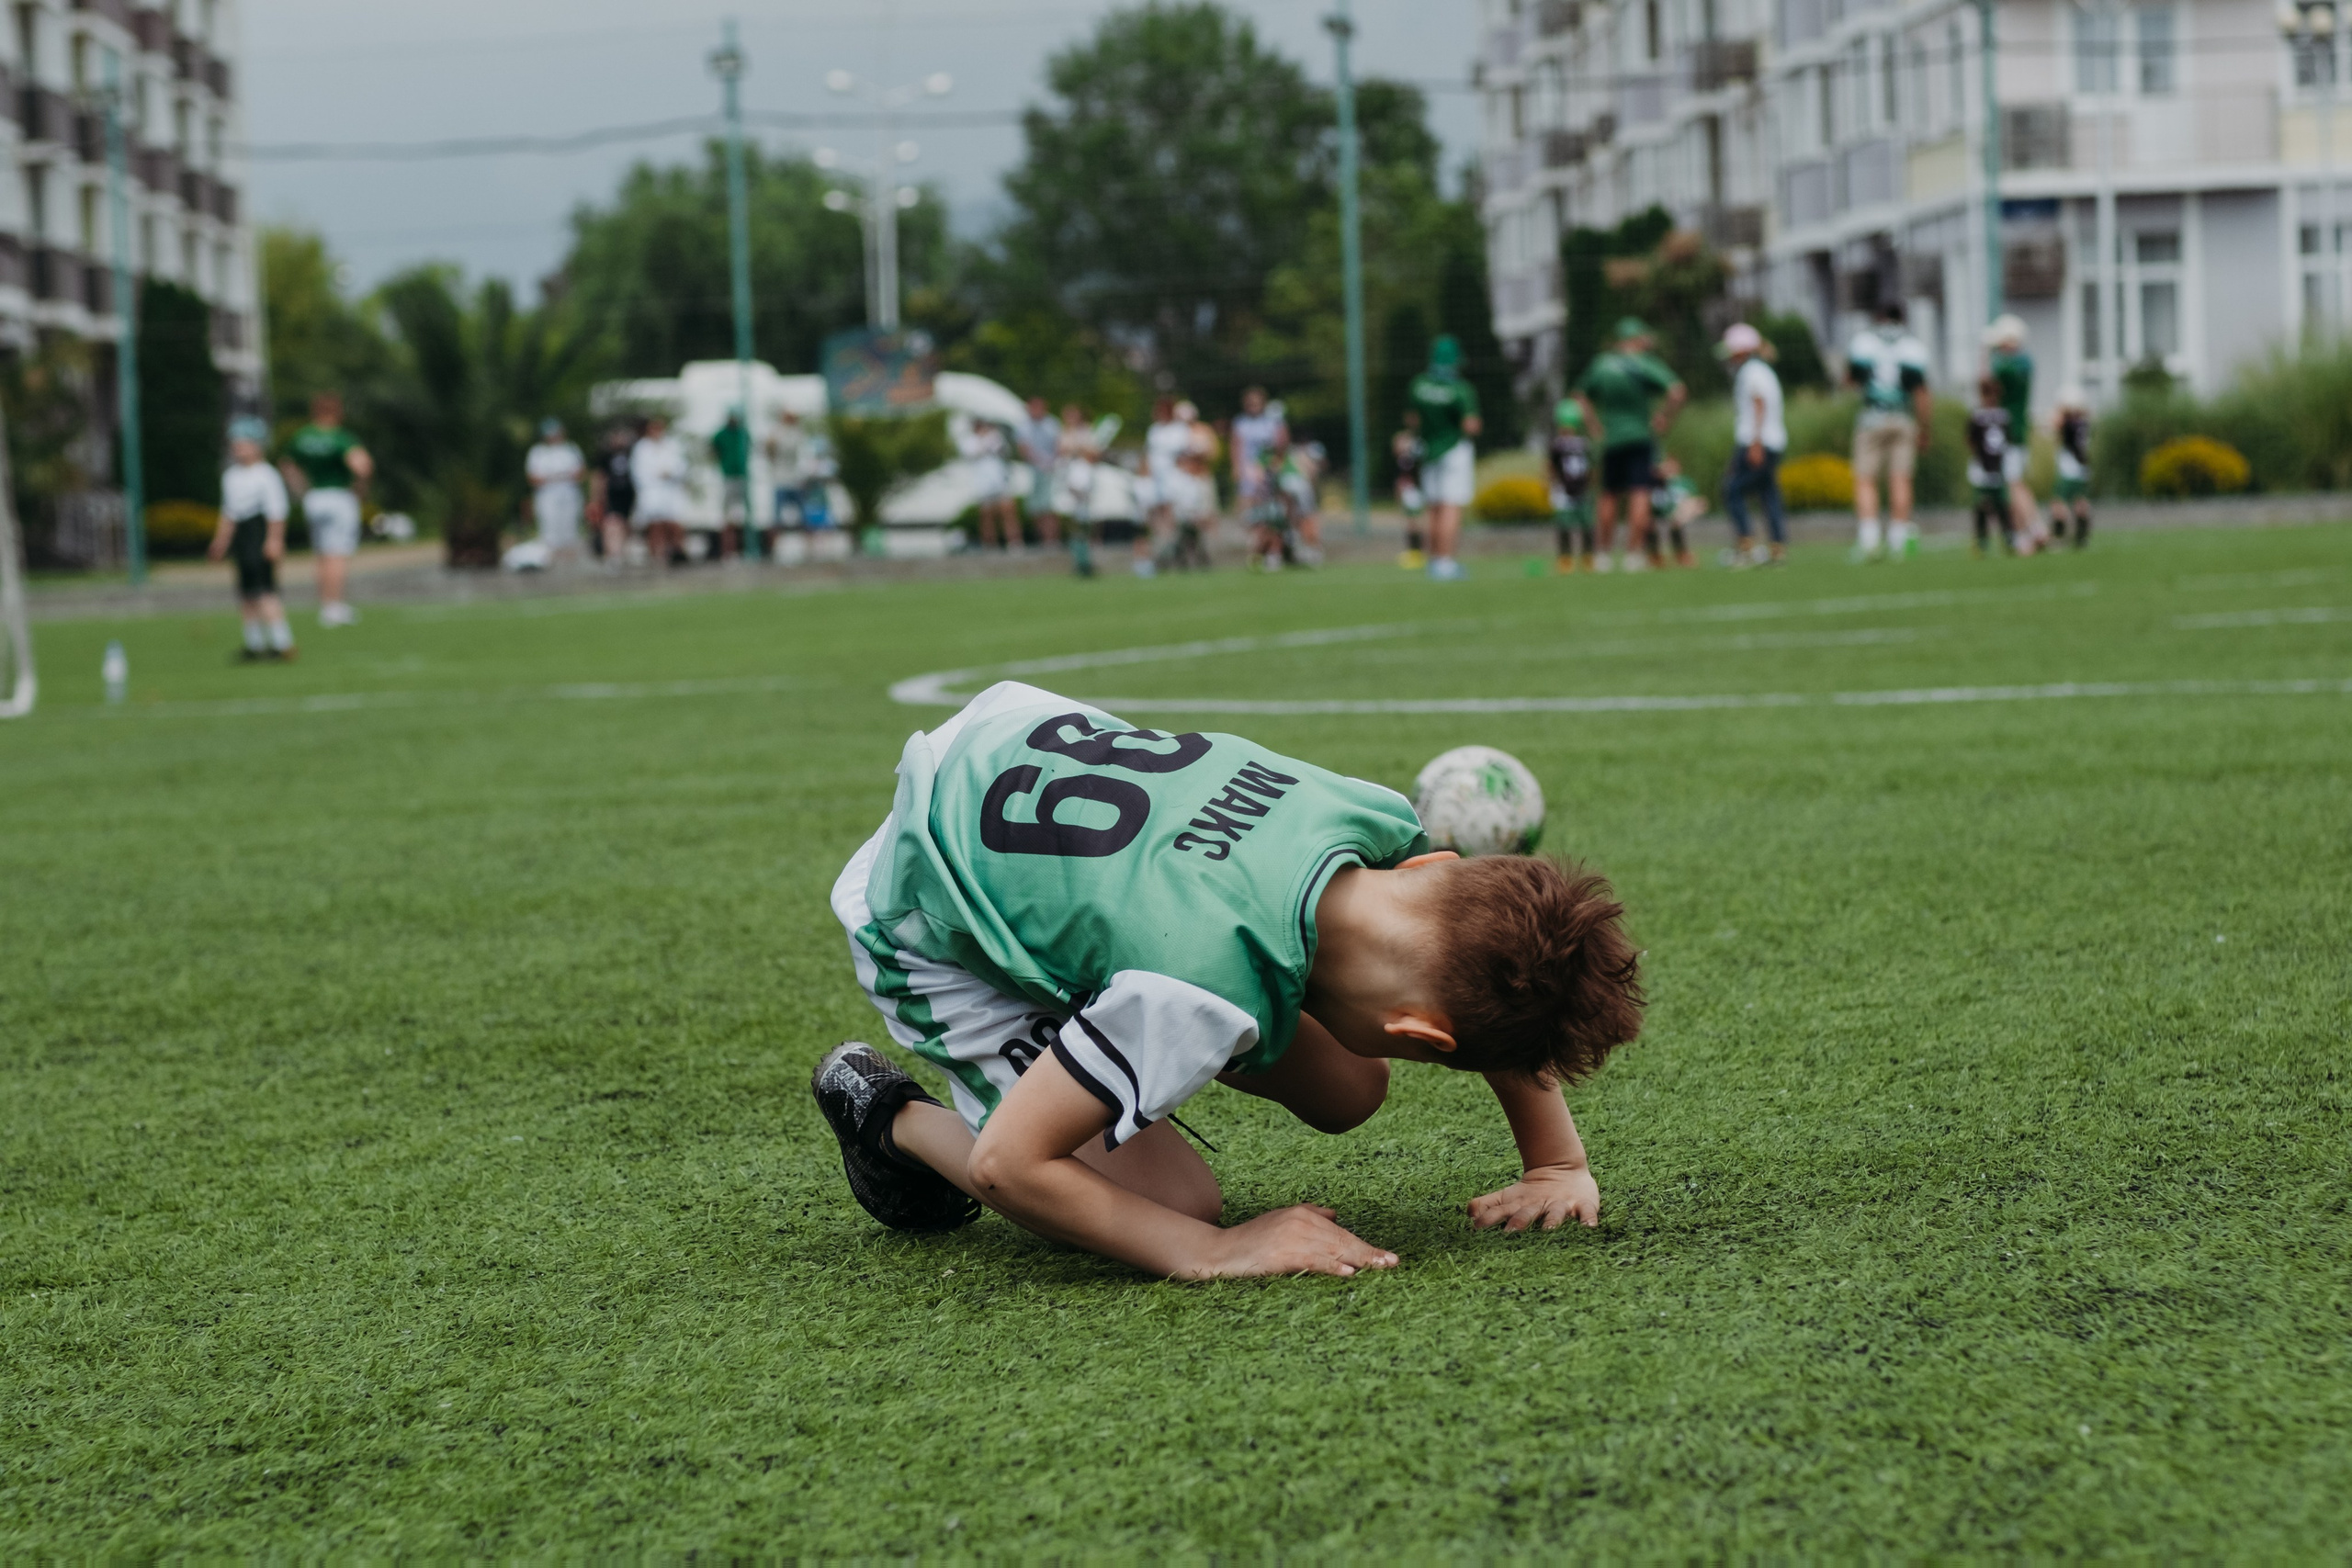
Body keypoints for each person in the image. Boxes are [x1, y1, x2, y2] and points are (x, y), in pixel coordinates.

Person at [810, 680, 1646, 1276]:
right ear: (1417, 1032)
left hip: (1022, 739)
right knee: (1175, 1203)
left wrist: (1555, 1162)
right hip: (928, 892)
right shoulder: (1196, 987)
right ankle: (891, 1119)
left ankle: (1096, 1008)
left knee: (1348, 1089)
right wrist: (1214, 1251)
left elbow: (1485, 952)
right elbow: (1009, 1165)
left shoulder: (1373, 814)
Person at [1572, 318, 1685, 574]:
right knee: (1639, 492)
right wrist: (1665, 417)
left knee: (1609, 494)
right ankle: (1633, 555)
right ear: (1636, 339)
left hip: (1610, 439)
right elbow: (1677, 391)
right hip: (1639, 437)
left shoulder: (1601, 364)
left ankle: (1602, 555)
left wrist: (1593, 425)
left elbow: (1580, 395)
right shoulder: (1644, 363)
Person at [1846, 301, 1933, 563]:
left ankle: (1870, 539)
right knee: (1901, 479)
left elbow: (1850, 381)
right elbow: (1921, 392)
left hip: (1871, 417)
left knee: (1865, 479)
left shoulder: (1863, 342)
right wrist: (1925, 428)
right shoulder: (1913, 346)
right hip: (1903, 418)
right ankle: (1897, 540)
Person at [279, 390, 374, 626]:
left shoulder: (303, 436)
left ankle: (324, 604)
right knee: (337, 554)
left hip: (314, 498)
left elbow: (287, 465)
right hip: (339, 496)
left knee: (322, 553)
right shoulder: (342, 437)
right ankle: (335, 607)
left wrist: (301, 490)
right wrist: (360, 489)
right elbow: (362, 466)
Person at [208, 417, 296, 661]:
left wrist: (275, 540)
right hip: (242, 537)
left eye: (244, 443)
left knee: (266, 590)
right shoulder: (231, 476)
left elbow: (277, 511)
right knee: (246, 593)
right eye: (236, 444)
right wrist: (221, 542)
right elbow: (229, 513)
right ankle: (254, 643)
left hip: (259, 533)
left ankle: (282, 642)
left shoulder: (266, 475)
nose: (239, 448)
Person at [1408, 335, 1484, 581]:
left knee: (1433, 508)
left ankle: (1433, 560)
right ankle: (1445, 561)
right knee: (1451, 506)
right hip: (1453, 451)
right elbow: (1471, 425)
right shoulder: (1460, 389)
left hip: (1428, 450)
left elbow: (1412, 420)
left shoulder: (1418, 385)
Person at [1719, 322, 1788, 567]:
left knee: (1733, 489)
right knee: (1768, 493)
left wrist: (1755, 443)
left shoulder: (1752, 372)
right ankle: (1777, 546)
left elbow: (1759, 404)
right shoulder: (1761, 369)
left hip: (1759, 441)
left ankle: (1746, 545)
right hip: (1772, 440)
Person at [1987, 314, 2037, 543]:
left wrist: (1986, 351)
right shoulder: (2025, 362)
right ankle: (2034, 527)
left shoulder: (2010, 365)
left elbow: (1988, 382)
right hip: (2018, 428)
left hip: (2009, 430)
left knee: (2013, 483)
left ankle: (2028, 531)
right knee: (2017, 482)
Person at [1140, 396, 1193, 576]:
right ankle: (1162, 544)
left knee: (1172, 511)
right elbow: (1148, 454)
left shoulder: (1179, 430)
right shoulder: (1154, 430)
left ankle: (1173, 544)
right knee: (1155, 512)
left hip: (1172, 476)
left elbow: (1184, 455)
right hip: (1156, 477)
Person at [1965, 375, 2017, 557]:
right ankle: (1986, 542)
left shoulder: (1991, 416)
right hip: (1989, 467)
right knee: (1990, 505)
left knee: (1997, 505)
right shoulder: (1988, 416)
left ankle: (2005, 540)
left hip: (1991, 467)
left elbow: (1970, 443)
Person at [630, 414, 690, 567]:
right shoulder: (641, 448)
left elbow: (681, 466)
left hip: (671, 490)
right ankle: (657, 555)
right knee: (655, 524)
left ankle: (677, 552)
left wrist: (671, 473)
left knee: (673, 523)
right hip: (652, 491)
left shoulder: (672, 445)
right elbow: (638, 472)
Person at [1229, 387, 1286, 540]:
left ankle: (1271, 539)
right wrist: (1236, 467)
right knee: (1247, 503)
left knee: (1271, 504)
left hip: (1268, 468)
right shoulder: (1240, 422)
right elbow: (1236, 445)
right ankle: (1250, 538)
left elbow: (1281, 445)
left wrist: (1275, 463)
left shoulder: (1272, 421)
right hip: (1247, 468)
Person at [1545, 400, 1595, 573]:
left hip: (1582, 490)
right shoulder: (1557, 445)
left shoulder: (1583, 443)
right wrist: (1551, 485)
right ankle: (1565, 559)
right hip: (1563, 491)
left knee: (1588, 526)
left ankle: (1588, 557)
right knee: (1564, 526)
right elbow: (1551, 467)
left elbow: (1590, 467)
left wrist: (1589, 484)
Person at [525, 419, 585, 561]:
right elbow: (533, 479)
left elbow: (580, 473)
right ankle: (550, 559)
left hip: (569, 495)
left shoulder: (571, 449)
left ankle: (569, 560)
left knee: (570, 526)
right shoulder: (538, 452)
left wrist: (554, 477)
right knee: (549, 526)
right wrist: (559, 476)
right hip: (547, 496)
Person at [957, 417, 1017, 551]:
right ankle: (990, 544)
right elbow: (972, 454)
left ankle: (1014, 542)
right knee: (986, 514)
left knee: (1008, 511)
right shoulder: (969, 441)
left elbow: (1004, 451)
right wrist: (985, 441)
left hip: (999, 479)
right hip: (982, 482)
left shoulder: (995, 436)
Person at [1015, 395, 1062, 549]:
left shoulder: (1052, 424)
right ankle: (1043, 539)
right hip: (1032, 471)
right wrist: (1038, 461)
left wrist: (1050, 463)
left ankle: (1051, 541)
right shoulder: (1023, 427)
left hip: (1051, 470)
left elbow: (1058, 446)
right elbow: (1023, 449)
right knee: (1035, 509)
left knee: (1048, 507)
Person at [2050, 389, 2093, 548]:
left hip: (2069, 469)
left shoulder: (2068, 423)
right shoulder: (2084, 421)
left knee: (2058, 503)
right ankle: (2082, 537)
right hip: (2083, 468)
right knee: (2081, 501)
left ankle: (2059, 537)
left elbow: (2054, 423)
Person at [589, 423, 638, 562]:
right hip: (611, 496)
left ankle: (621, 554)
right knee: (612, 525)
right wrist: (595, 498)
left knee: (626, 526)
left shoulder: (633, 453)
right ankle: (613, 556)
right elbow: (598, 477)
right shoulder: (604, 456)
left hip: (629, 496)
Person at [711, 407, 753, 559]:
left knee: (745, 515)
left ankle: (746, 549)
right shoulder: (721, 435)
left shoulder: (743, 433)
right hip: (728, 477)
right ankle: (728, 551)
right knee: (727, 517)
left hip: (743, 477)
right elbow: (714, 450)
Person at [1648, 456, 1705, 569]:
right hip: (1660, 515)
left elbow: (1698, 501)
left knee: (1677, 521)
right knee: (1649, 523)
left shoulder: (1686, 483)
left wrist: (1687, 512)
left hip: (1681, 514)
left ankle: (1682, 555)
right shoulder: (1657, 483)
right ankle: (1655, 556)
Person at [1392, 411, 1428, 570]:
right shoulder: (1403, 439)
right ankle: (1414, 552)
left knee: (1420, 521)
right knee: (1410, 521)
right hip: (1409, 487)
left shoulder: (1424, 439)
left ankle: (1423, 552)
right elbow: (1398, 451)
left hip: (1421, 485)